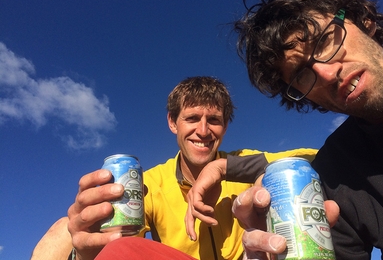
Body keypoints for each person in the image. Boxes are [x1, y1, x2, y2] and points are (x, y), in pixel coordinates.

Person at [187, 0, 383, 260]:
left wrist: (222, 166)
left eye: (325, 40)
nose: (327, 74)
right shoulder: (335, 179)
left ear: (364, 19)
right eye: (302, 74)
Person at [31, 76, 318, 260]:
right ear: (173, 123)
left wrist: (222, 168)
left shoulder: (242, 162)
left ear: (226, 126)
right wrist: (82, 254)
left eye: (214, 120)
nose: (203, 131)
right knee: (66, 229)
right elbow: (122, 245)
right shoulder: (151, 183)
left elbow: (313, 158)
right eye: (192, 118)